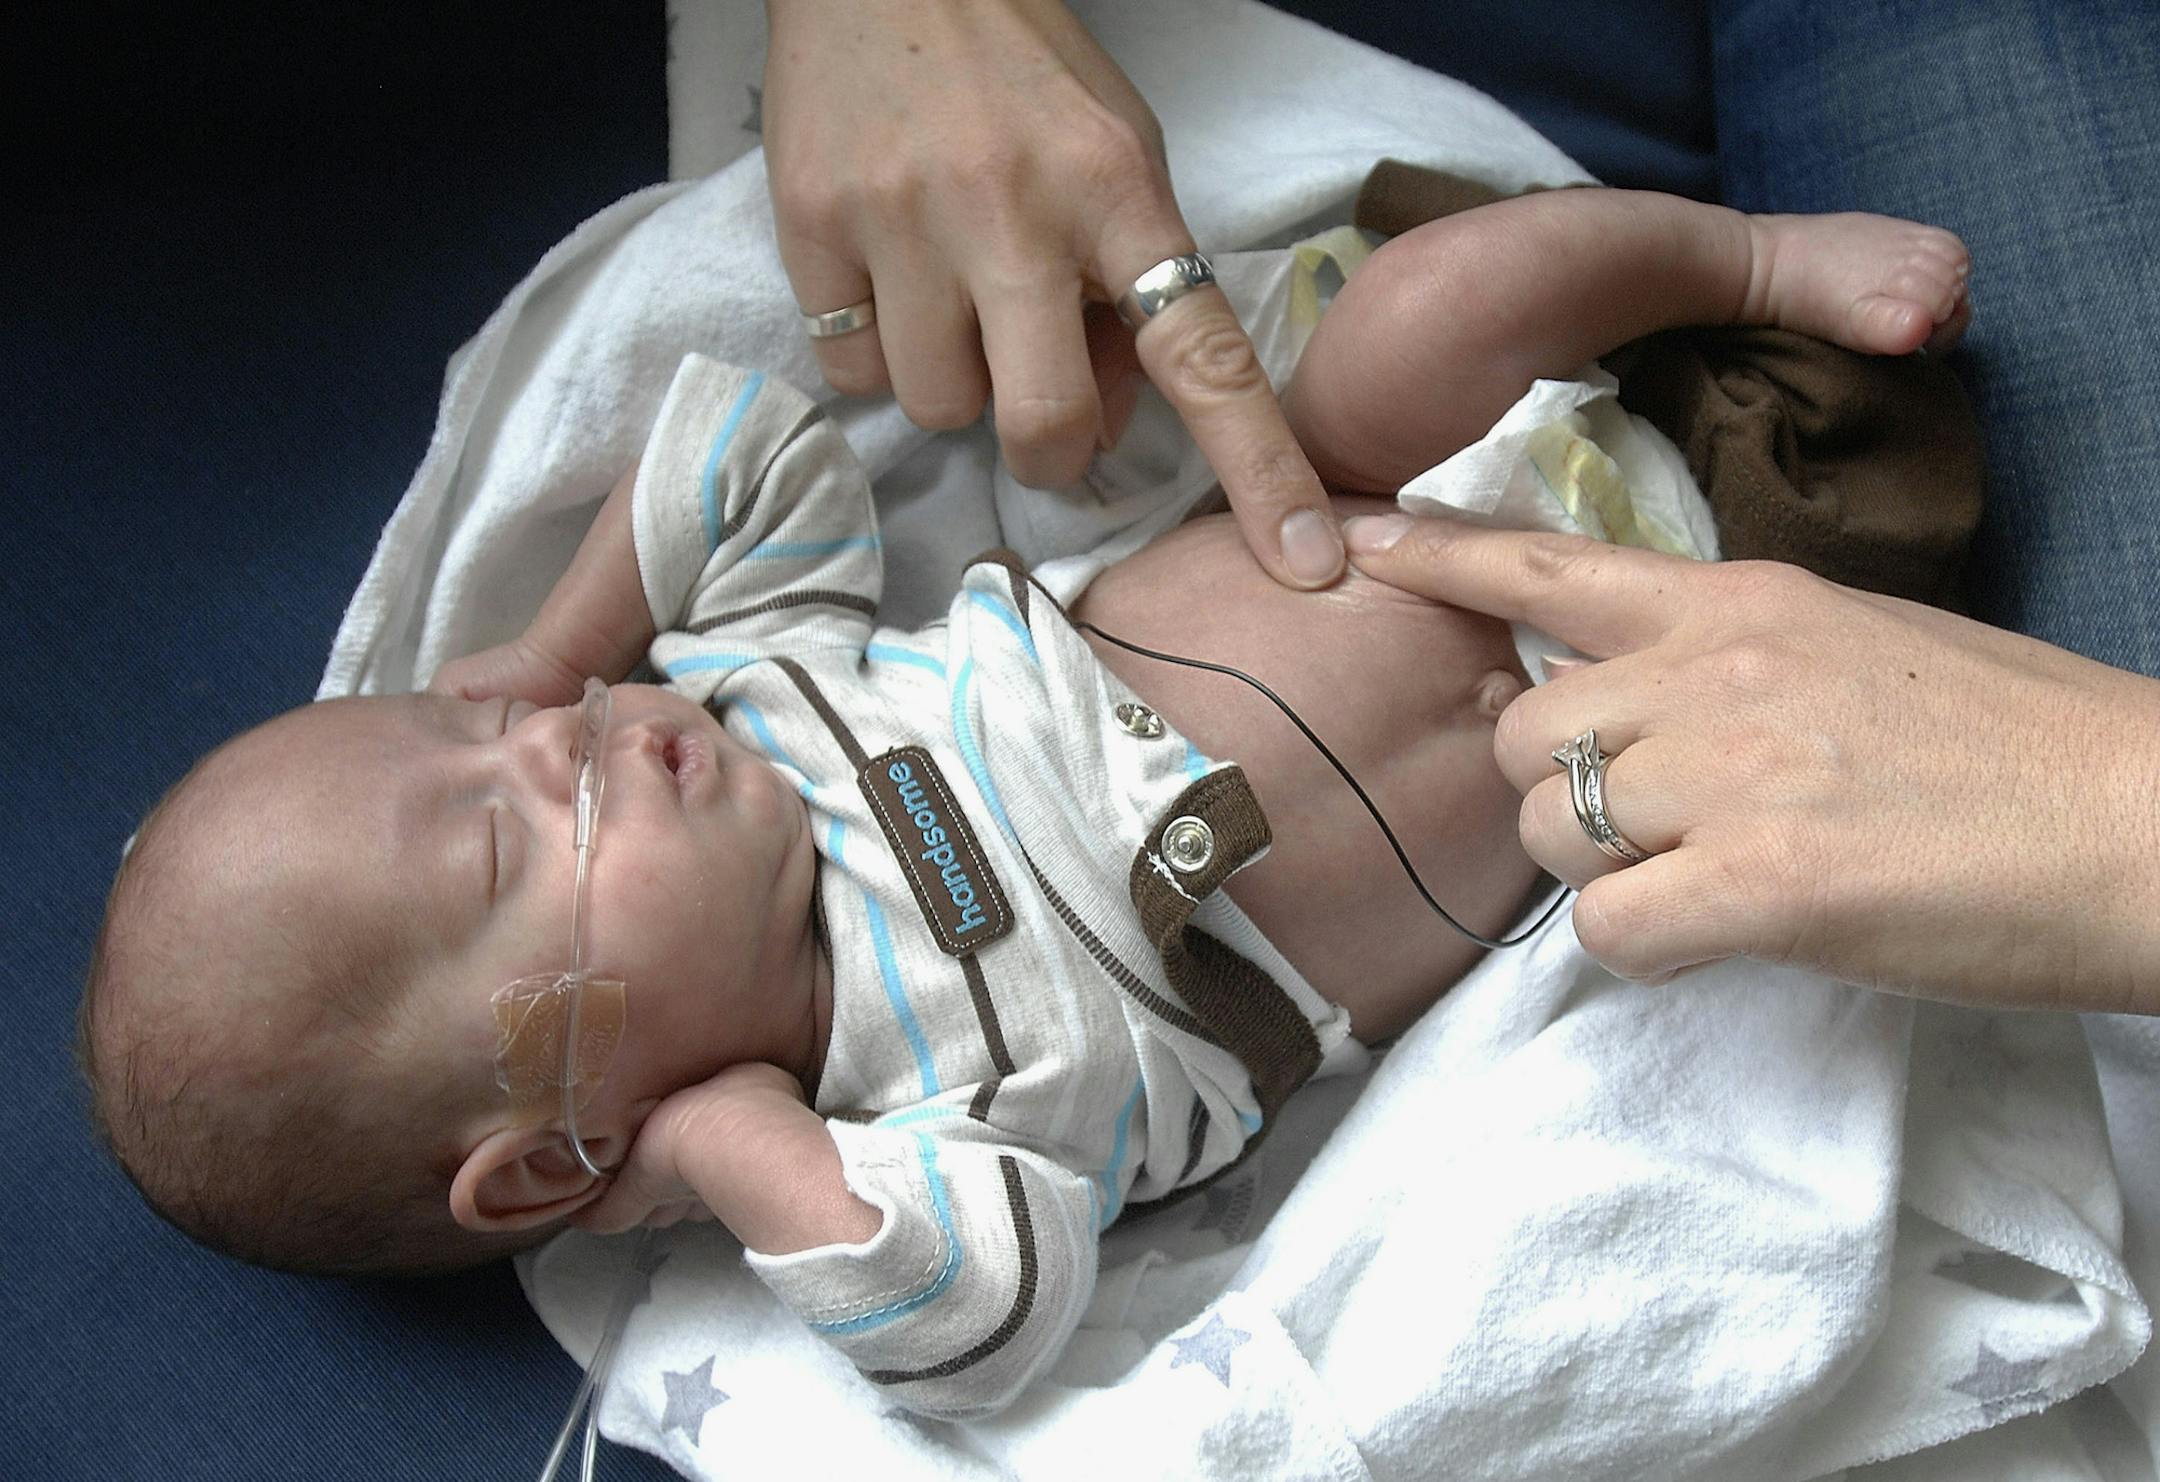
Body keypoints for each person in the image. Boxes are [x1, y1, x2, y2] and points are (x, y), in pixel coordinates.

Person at [79, 186, 1970, 1418]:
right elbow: (991, 1319)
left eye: (477, 726)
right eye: (502, 836)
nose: (557, 744)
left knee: (1423, 308)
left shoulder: (756, 691)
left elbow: (739, 443)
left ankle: (1738, 268)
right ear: (550, 1152)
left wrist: (563, 637)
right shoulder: (885, 1138)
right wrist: (725, 1152)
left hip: (1382, 482)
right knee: (1830, 793)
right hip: (1624, 727)